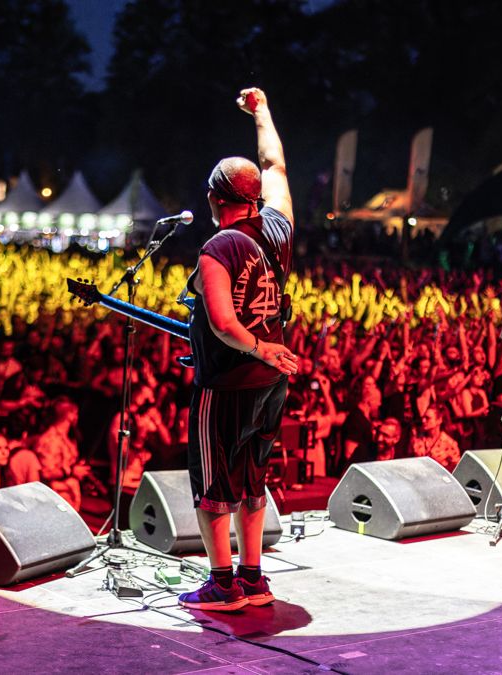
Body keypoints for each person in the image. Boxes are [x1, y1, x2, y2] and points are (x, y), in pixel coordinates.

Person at [178, 88, 297, 612]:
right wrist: (263, 111)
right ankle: (254, 577)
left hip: (226, 382)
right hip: (271, 386)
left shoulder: (216, 248)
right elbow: (276, 165)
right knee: (253, 478)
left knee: (212, 483)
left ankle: (222, 584)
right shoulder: (277, 230)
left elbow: (224, 323)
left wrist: (256, 348)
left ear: (213, 199)